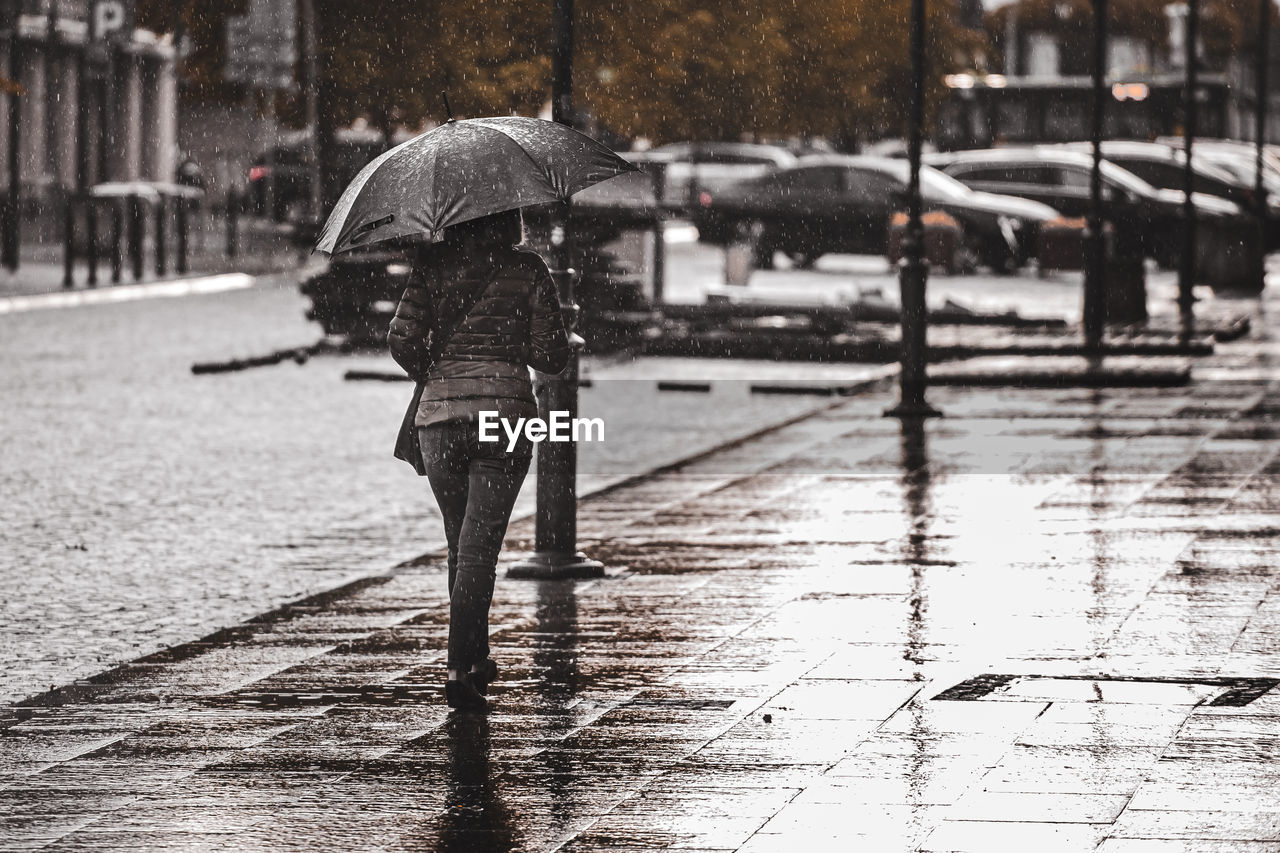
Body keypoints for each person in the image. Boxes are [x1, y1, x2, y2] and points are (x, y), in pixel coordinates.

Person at [387, 208, 570, 712]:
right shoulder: (529, 269)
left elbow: (399, 338)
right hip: (505, 417)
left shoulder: (432, 266)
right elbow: (550, 355)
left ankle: (476, 657)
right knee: (478, 548)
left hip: (440, 421)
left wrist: (437, 370)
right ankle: (458, 666)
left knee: (461, 542)